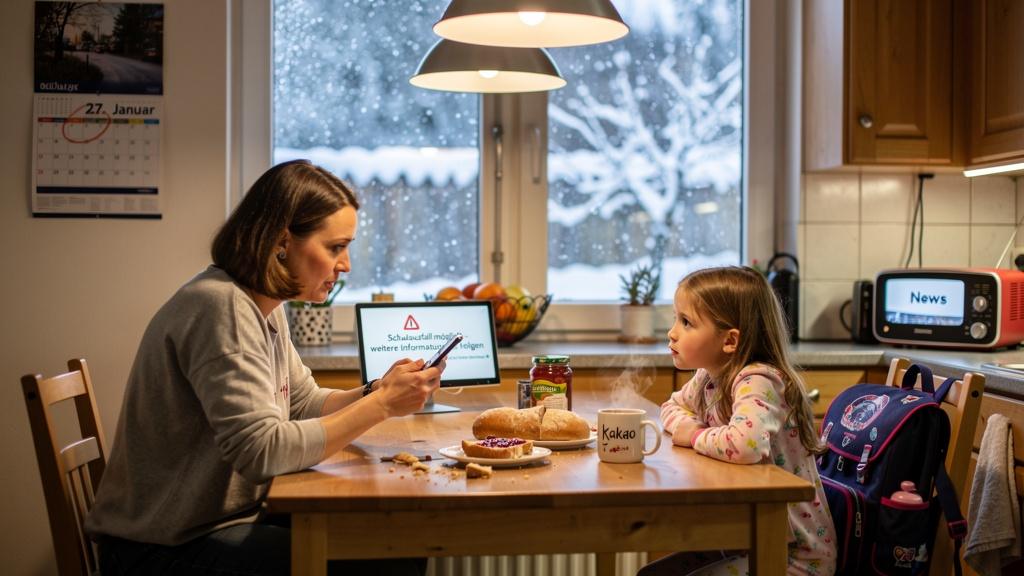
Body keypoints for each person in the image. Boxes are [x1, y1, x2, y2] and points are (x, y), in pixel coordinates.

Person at [86, 160, 441, 575]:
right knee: (391, 557)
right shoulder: (222, 307)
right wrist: (381, 405)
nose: (345, 265)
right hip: (162, 549)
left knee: (393, 542)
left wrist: (376, 389)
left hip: (212, 525)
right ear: (281, 241)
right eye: (334, 247)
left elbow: (304, 402)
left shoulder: (261, 306)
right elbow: (261, 452)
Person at [640, 266, 836, 576]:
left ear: (730, 340)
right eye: (676, 318)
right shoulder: (709, 376)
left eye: (687, 322)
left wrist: (693, 436)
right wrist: (693, 428)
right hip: (745, 539)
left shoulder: (758, 379)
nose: (672, 332)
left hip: (794, 555)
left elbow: (745, 445)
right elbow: (672, 405)